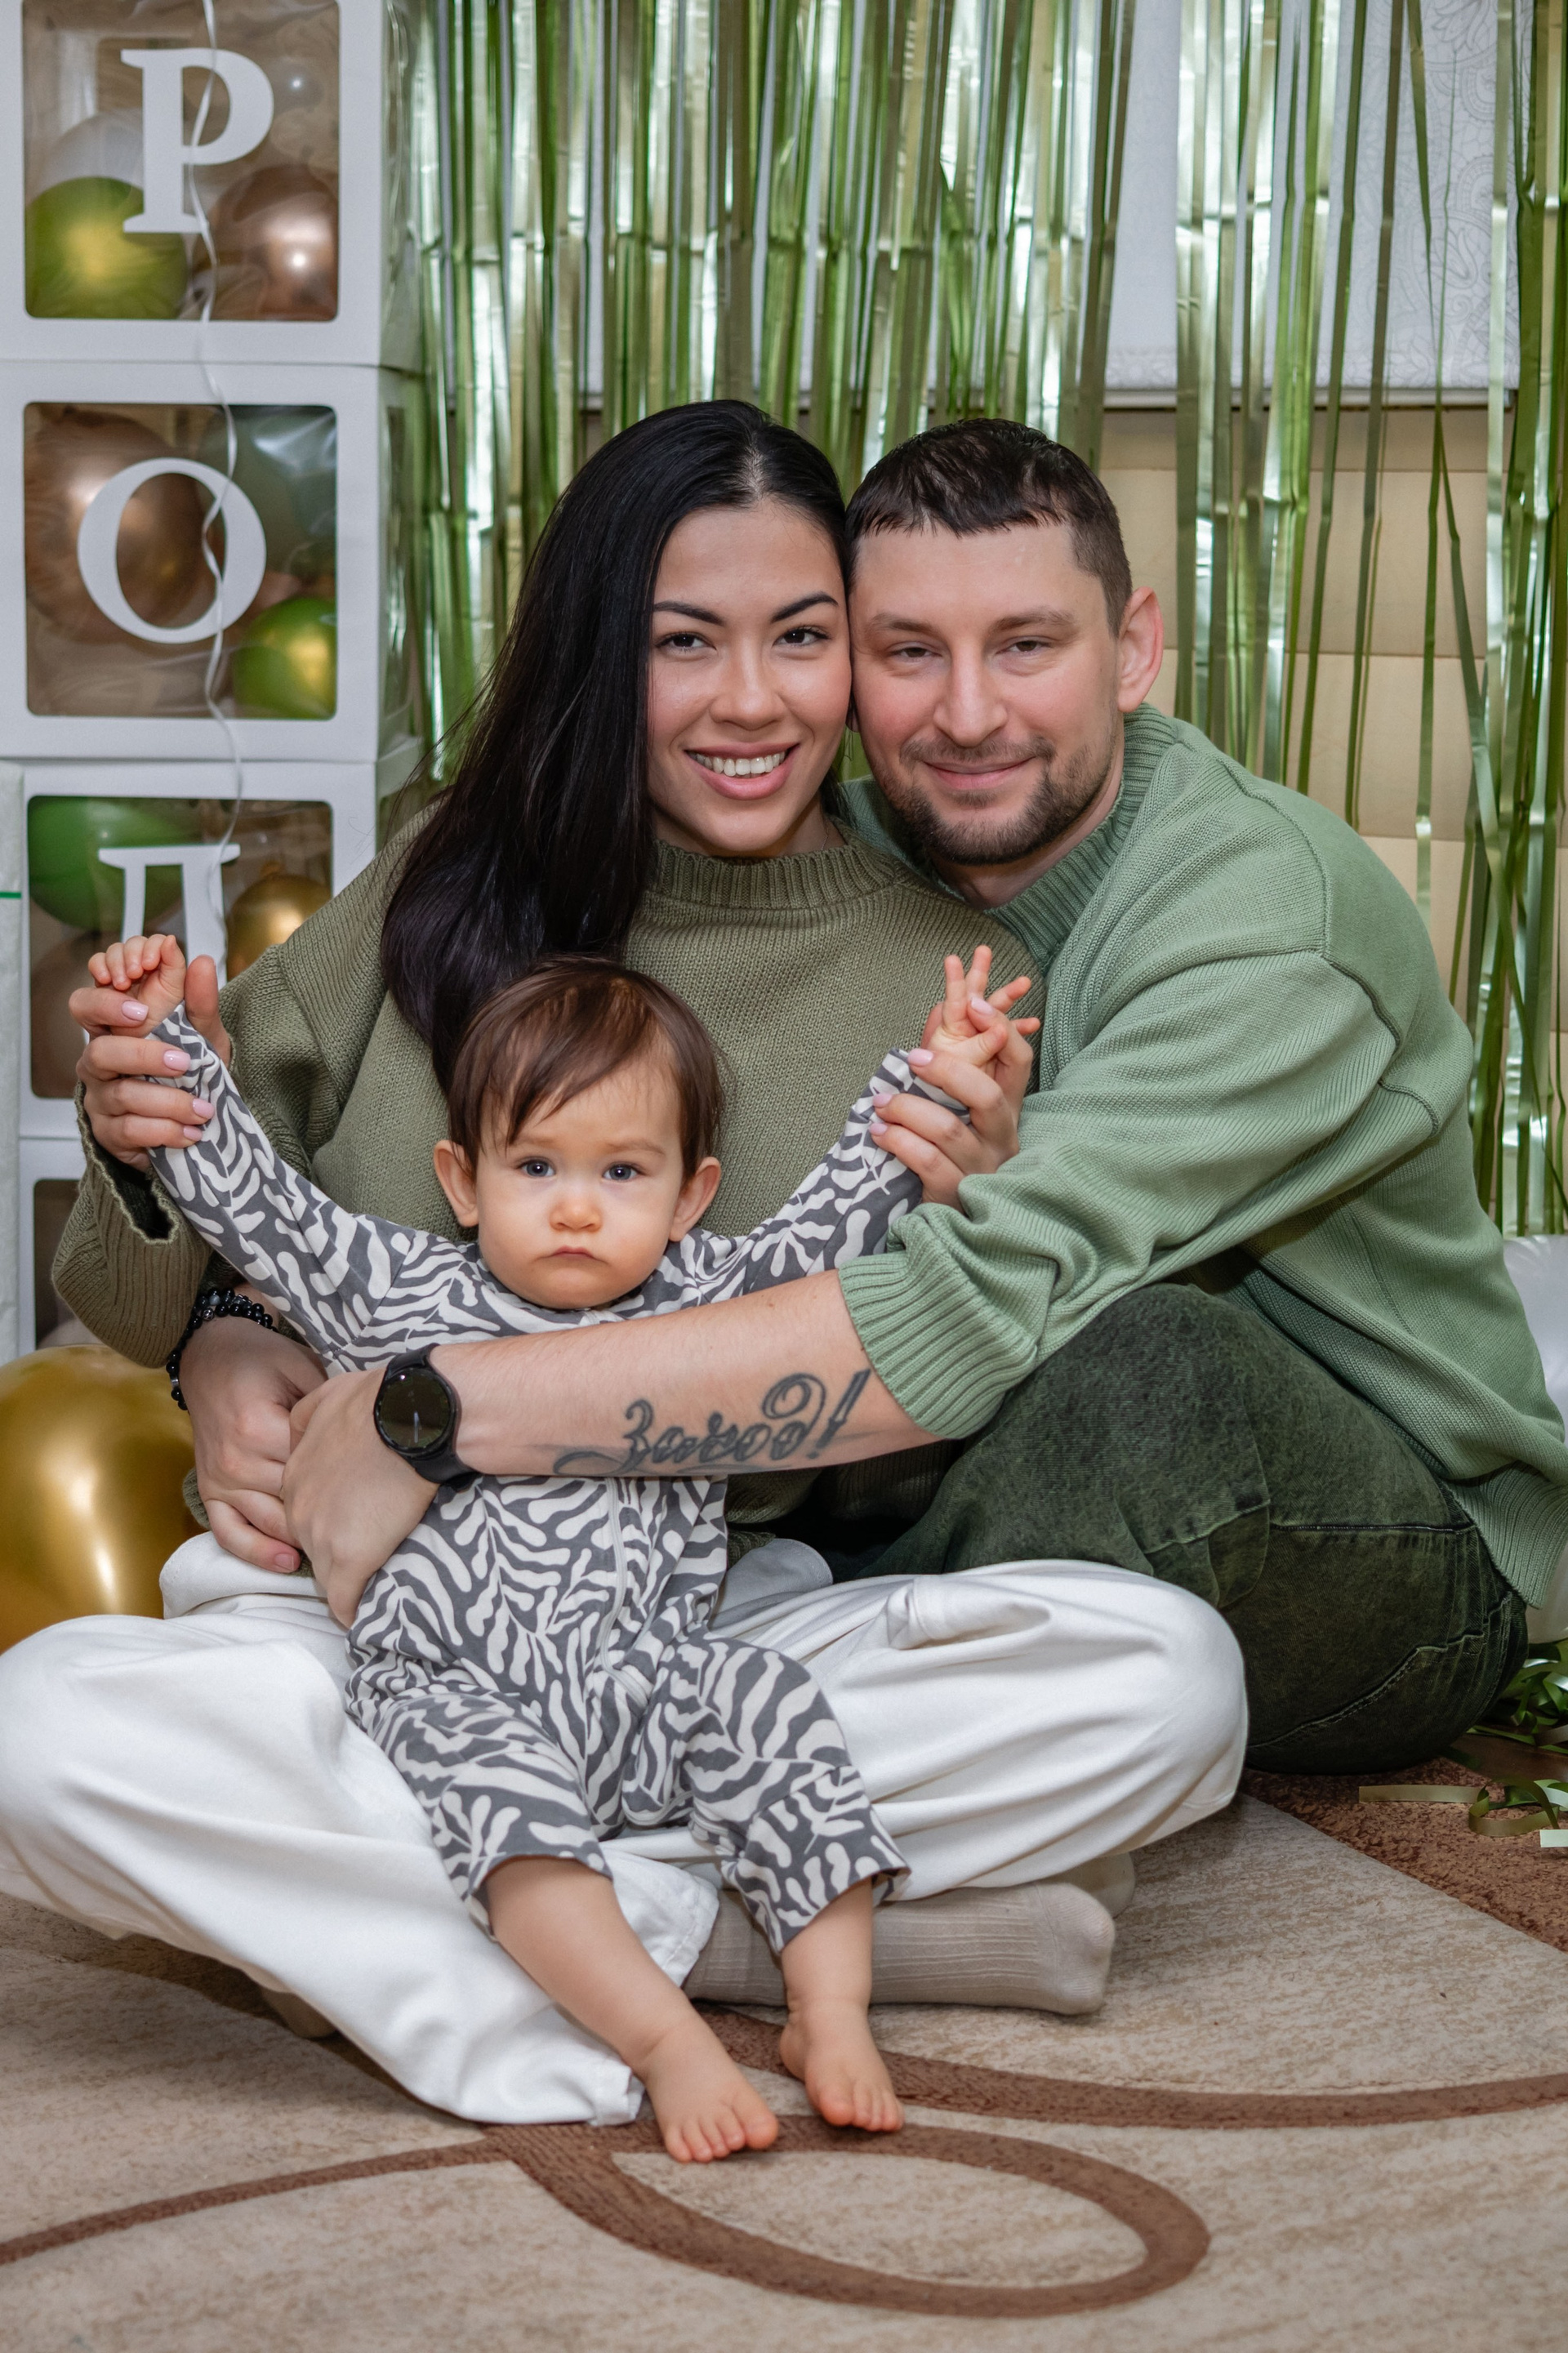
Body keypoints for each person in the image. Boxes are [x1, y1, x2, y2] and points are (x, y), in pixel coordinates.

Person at [0, 403, 1249, 2125]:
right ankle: (726, 1944)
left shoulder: (942, 982)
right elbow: (186, 1272)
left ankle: (516, 1917)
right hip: (374, 1624)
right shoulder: (447, 876)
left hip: (702, 1625)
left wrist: (972, 1204)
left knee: (1170, 1689)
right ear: (602, 650)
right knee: (44, 1736)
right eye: (682, 643)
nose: (753, 702)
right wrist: (190, 1253)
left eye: (802, 637)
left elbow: (893, 1439)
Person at [273, 417, 1568, 1771]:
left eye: (1026, 645)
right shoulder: (840, 850)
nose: (966, 716)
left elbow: (966, 1307)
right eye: (906, 652)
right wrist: (239, 1329)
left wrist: (442, 1406)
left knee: (1148, 1373)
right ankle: (711, 1725)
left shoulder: (1266, 923)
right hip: (953, 1493)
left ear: (1133, 649)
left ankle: (703, 1742)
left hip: (1387, 1526)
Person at [97, 931, 1032, 2157]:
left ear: (689, 1195)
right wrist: (166, 1045)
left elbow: (840, 1210)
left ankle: (830, 2010)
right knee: (503, 1820)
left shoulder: (712, 1303)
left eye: (623, 1172)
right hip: (457, 1691)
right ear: (463, 1178)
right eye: (536, 1165)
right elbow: (264, 1206)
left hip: (648, 1678)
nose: (578, 1206)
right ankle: (666, 2038)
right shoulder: (398, 1287)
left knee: (772, 1701)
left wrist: (937, 1072)